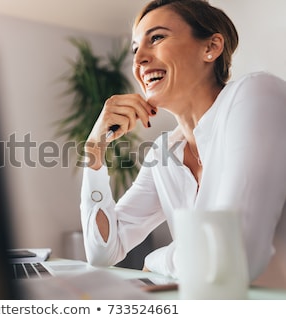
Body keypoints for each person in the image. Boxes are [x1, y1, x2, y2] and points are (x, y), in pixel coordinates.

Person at [80, 0, 286, 288]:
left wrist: (155, 261)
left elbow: (234, 256)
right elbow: (102, 251)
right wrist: (95, 147)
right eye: (136, 49)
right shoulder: (164, 154)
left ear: (211, 47)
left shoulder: (256, 93)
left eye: (157, 38)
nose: (139, 60)